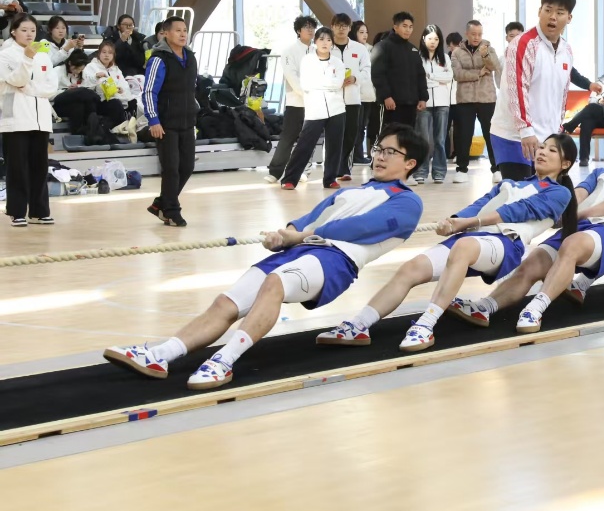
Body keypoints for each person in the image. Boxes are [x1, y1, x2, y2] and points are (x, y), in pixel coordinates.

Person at [103, 124, 426, 389]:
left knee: (274, 283)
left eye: (390, 152)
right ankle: (161, 355)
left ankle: (224, 360)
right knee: (226, 303)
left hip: (334, 260)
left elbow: (358, 229)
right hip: (299, 250)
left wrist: (300, 236)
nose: (380, 156)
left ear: (409, 163)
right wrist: (283, 235)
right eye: (379, 149)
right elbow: (307, 220)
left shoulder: (408, 203)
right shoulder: (349, 192)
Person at [319, 134, 579, 352]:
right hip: (472, 238)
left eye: (551, 150)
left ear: (565, 163)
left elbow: (518, 211)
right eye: (542, 147)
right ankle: (359, 326)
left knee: (463, 247)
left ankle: (426, 324)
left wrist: (469, 223)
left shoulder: (559, 193)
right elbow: (478, 205)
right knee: (410, 269)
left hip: (504, 243)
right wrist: (454, 220)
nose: (542, 152)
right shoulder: (509, 183)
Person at [447, 118, 604, 333]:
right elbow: (578, 194)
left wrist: (578, 215)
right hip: (579, 229)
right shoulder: (603, 171)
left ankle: (535, 309)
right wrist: (563, 210)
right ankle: (485, 307)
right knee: (532, 264)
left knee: (572, 244)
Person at [490, 0, 584, 182]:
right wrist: (526, 130)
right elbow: (516, 89)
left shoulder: (566, 50)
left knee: (543, 195)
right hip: (515, 136)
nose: (552, 17)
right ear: (539, 11)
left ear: (569, 18)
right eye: (548, 10)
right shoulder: (523, 43)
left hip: (547, 139)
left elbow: (562, 93)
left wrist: (557, 130)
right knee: (519, 196)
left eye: (559, 12)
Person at [0, 15, 57, 227]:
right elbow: (17, 80)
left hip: (41, 118)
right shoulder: (5, 55)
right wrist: (26, 58)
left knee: (39, 167)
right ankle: (16, 212)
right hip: (15, 118)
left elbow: (51, 87)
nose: (29, 34)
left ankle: (39, 211)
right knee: (17, 168)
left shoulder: (44, 56)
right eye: (24, 30)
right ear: (13, 31)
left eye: (32, 30)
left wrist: (31, 90)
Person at [142, 16, 199, 227]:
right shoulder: (158, 59)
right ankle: (172, 211)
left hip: (187, 122)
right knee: (171, 169)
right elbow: (149, 91)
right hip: (165, 124)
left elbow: (191, 90)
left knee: (187, 167)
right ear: (166, 33)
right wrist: (153, 120)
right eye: (178, 30)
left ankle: (161, 203)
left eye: (185, 30)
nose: (183, 34)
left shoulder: (191, 57)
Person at [280, 27, 346, 190]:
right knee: (305, 145)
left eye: (328, 40)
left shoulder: (337, 62)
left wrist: (322, 83)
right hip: (315, 108)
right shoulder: (308, 60)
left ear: (332, 43)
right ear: (315, 41)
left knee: (334, 146)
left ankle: (330, 179)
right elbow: (307, 84)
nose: (325, 43)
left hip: (337, 108)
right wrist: (328, 84)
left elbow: (338, 83)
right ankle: (289, 179)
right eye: (321, 39)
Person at [265, 15, 318, 183]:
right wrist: (305, 93)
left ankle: (304, 170)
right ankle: (275, 172)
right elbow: (291, 75)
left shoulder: (318, 50)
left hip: (315, 102)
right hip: (295, 101)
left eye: (312, 27)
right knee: (288, 137)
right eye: (306, 27)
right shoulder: (289, 51)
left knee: (308, 138)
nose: (310, 30)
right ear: (298, 31)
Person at [451, 20, 501, 184]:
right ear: (467, 33)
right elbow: (458, 75)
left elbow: (494, 67)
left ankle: (497, 169)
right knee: (463, 135)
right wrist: (479, 73)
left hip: (487, 98)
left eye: (479, 34)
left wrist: (485, 55)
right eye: (473, 34)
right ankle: (461, 169)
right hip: (465, 99)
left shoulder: (489, 48)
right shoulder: (457, 52)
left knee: (490, 134)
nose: (476, 37)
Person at [371, 11, 428, 128]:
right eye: (404, 26)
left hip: (411, 104)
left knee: (407, 135)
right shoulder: (383, 47)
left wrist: (423, 98)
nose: (408, 30)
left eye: (411, 27)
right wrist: (386, 96)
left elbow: (420, 75)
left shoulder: (413, 49)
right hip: (392, 104)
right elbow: (378, 74)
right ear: (395, 27)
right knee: (389, 135)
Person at [331, 13, 370, 183]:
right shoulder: (326, 47)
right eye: (338, 25)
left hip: (353, 98)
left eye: (345, 26)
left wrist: (355, 78)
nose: (341, 29)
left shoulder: (359, 49)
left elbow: (367, 71)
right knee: (333, 134)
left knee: (350, 134)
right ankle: (332, 167)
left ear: (349, 28)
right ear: (332, 27)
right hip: (331, 99)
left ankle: (345, 167)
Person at [416, 23, 452, 184]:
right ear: (423, 38)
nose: (433, 42)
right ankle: (421, 171)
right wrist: (438, 80)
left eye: (436, 39)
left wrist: (430, 77)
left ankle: (439, 171)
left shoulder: (445, 58)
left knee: (440, 139)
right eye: (430, 38)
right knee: (423, 139)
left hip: (443, 103)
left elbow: (449, 77)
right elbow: (418, 79)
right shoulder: (417, 57)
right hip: (423, 103)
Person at [83, 40, 138, 137]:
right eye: (104, 52)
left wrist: (121, 90)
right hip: (100, 101)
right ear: (99, 53)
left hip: (117, 98)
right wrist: (96, 77)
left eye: (110, 53)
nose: (106, 55)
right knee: (115, 104)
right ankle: (119, 130)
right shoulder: (91, 67)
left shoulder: (115, 69)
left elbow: (124, 85)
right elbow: (86, 86)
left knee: (134, 102)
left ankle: (130, 128)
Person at [350, 21, 376, 165]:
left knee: (362, 127)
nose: (365, 35)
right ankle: (356, 155)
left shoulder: (371, 49)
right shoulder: (352, 48)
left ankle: (359, 155)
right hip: (355, 93)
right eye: (361, 32)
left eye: (366, 32)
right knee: (356, 127)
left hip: (368, 94)